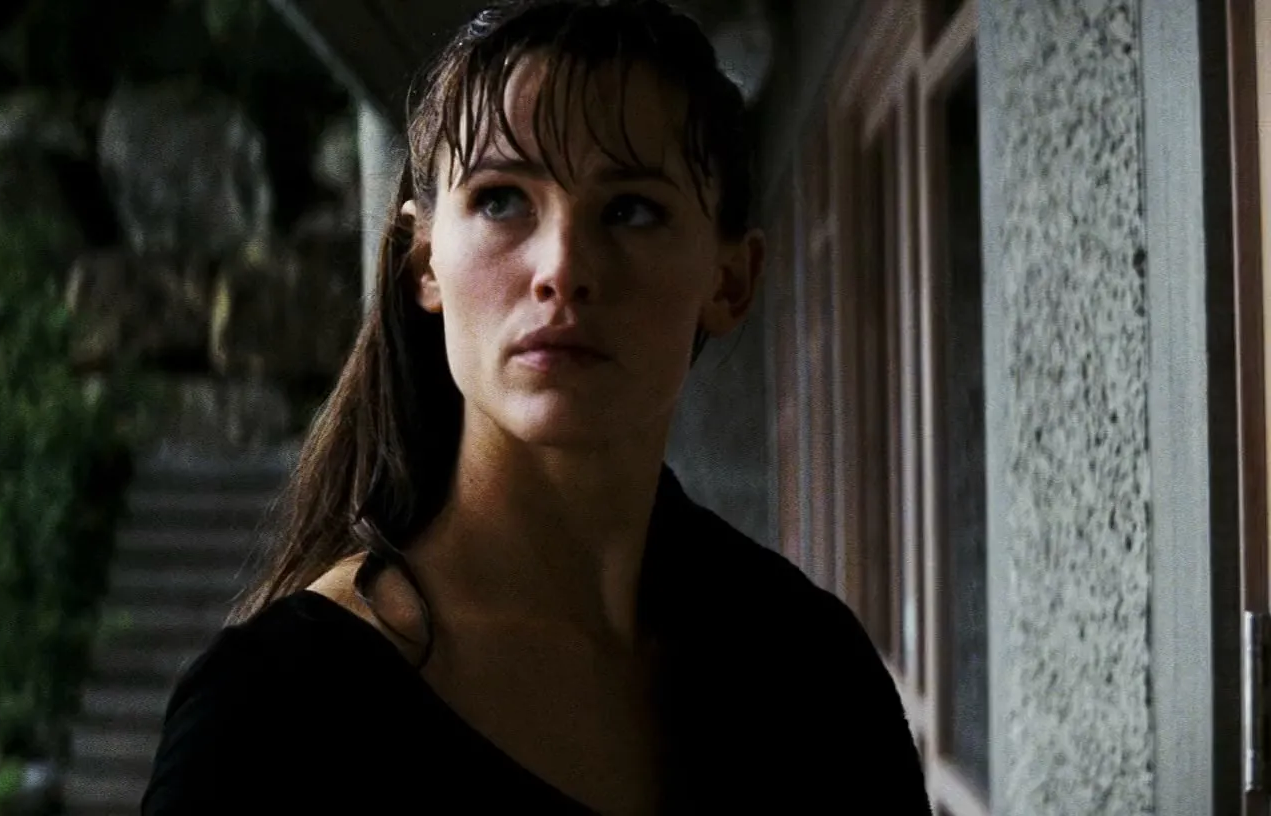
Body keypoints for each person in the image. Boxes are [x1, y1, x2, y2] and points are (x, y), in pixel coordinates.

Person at [140, 1, 929, 813]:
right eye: (501, 200)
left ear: (730, 280)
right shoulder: (271, 713)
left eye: (632, 209)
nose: (563, 268)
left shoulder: (813, 670)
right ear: (424, 262)